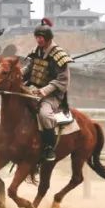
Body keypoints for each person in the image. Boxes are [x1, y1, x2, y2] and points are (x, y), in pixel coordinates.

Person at [23, 18, 71, 162]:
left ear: (48, 38)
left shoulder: (59, 55)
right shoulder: (36, 51)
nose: (38, 40)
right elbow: (29, 68)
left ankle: (49, 148)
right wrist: (16, 74)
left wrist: (44, 90)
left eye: (41, 37)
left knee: (44, 115)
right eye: (37, 37)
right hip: (32, 90)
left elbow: (63, 79)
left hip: (51, 95)